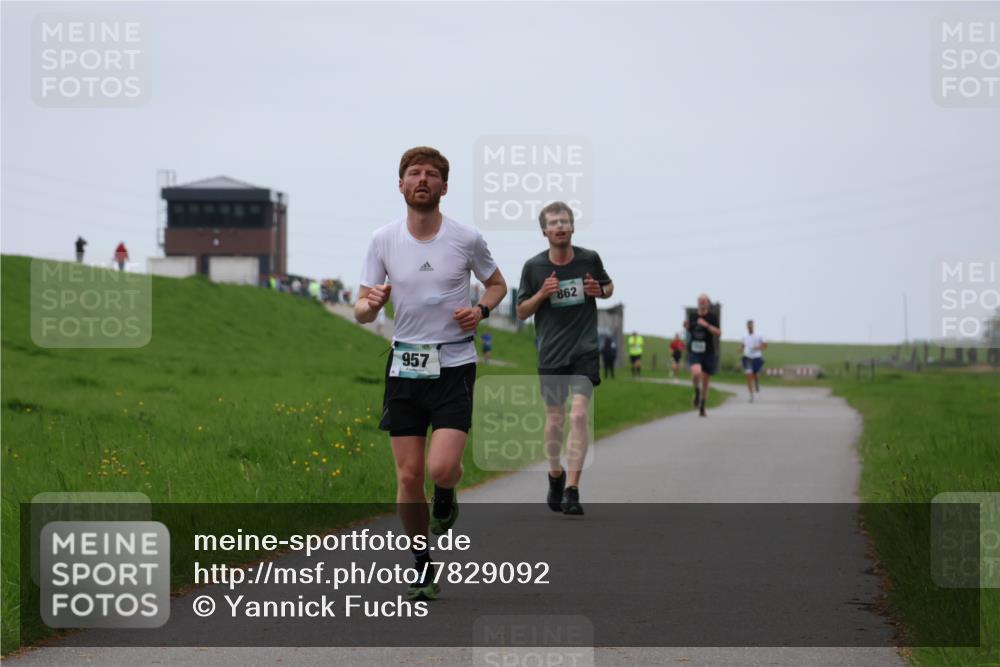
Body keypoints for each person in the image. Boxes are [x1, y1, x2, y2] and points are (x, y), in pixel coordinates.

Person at [355, 146, 507, 601]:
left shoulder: (466, 238)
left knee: (441, 468)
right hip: (404, 366)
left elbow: (499, 283)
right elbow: (361, 309)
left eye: (432, 174)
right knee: (407, 476)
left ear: (444, 186)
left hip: (454, 364)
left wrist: (480, 309)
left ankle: (447, 492)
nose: (422, 179)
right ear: (400, 184)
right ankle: (421, 565)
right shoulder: (383, 239)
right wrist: (372, 305)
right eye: (414, 173)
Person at [517, 201, 614, 516]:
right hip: (551, 353)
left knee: (578, 417)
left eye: (564, 221)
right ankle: (555, 473)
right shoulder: (534, 268)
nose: (559, 226)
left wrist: (598, 289)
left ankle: (572, 489)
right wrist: (541, 294)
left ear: (572, 227)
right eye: (553, 222)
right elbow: (521, 311)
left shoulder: (589, 258)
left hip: (584, 350)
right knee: (556, 421)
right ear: (544, 231)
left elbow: (608, 286)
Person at [683, 294, 722, 417]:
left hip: (708, 352)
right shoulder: (693, 316)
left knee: (705, 381)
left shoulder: (712, 317)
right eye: (699, 301)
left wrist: (707, 325)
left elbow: (719, 332)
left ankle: (702, 405)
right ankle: (696, 391)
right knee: (696, 373)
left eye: (704, 302)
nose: (701, 304)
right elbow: (690, 330)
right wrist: (686, 327)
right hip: (694, 351)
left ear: (707, 303)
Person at [738, 319, 767, 401]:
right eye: (748, 326)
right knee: (748, 376)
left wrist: (758, 347)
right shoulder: (744, 336)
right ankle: (751, 395)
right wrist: (740, 349)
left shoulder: (759, 335)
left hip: (757, 357)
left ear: (753, 326)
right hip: (747, 357)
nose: (750, 328)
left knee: (756, 375)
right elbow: (743, 346)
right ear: (747, 327)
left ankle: (757, 382)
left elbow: (765, 345)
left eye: (751, 326)